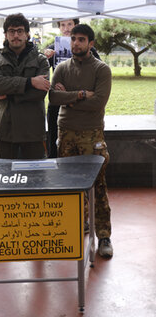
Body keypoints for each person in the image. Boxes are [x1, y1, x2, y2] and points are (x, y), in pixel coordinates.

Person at [49, 24, 113, 258]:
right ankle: (78, 225)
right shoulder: (62, 68)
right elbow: (54, 97)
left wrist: (70, 99)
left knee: (98, 185)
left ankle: (104, 235)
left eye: (81, 39)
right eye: (73, 39)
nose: (75, 43)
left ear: (91, 43)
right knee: (70, 185)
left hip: (91, 134)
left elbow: (98, 103)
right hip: (65, 132)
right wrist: (80, 94)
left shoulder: (101, 70)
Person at [0, 13, 50, 159]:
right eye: (11, 31)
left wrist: (8, 95)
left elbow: (40, 93)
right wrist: (30, 82)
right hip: (3, 130)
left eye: (20, 31)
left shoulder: (41, 61)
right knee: (3, 178)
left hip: (32, 130)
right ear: (5, 34)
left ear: (27, 34)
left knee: (35, 178)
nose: (16, 35)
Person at [44, 19, 100, 158]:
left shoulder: (89, 49)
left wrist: (72, 95)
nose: (66, 28)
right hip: (56, 103)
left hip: (80, 106)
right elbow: (42, 73)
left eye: (69, 24)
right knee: (54, 142)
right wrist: (44, 57)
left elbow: (97, 73)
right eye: (62, 25)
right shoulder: (53, 48)